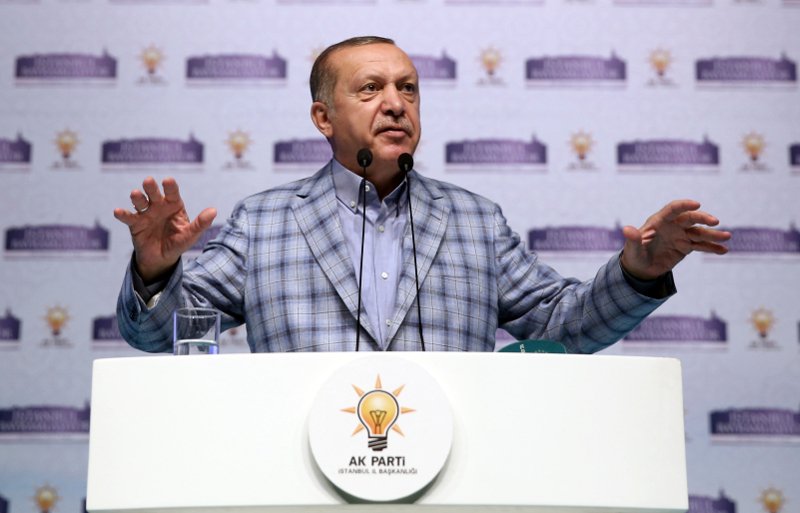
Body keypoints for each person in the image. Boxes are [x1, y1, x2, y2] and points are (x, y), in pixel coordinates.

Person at [114, 36, 730, 353]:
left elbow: (560, 328)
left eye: (407, 88)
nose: (395, 103)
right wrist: (155, 270)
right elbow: (161, 336)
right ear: (323, 118)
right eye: (370, 89)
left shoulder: (474, 221)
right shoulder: (266, 221)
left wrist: (638, 272)